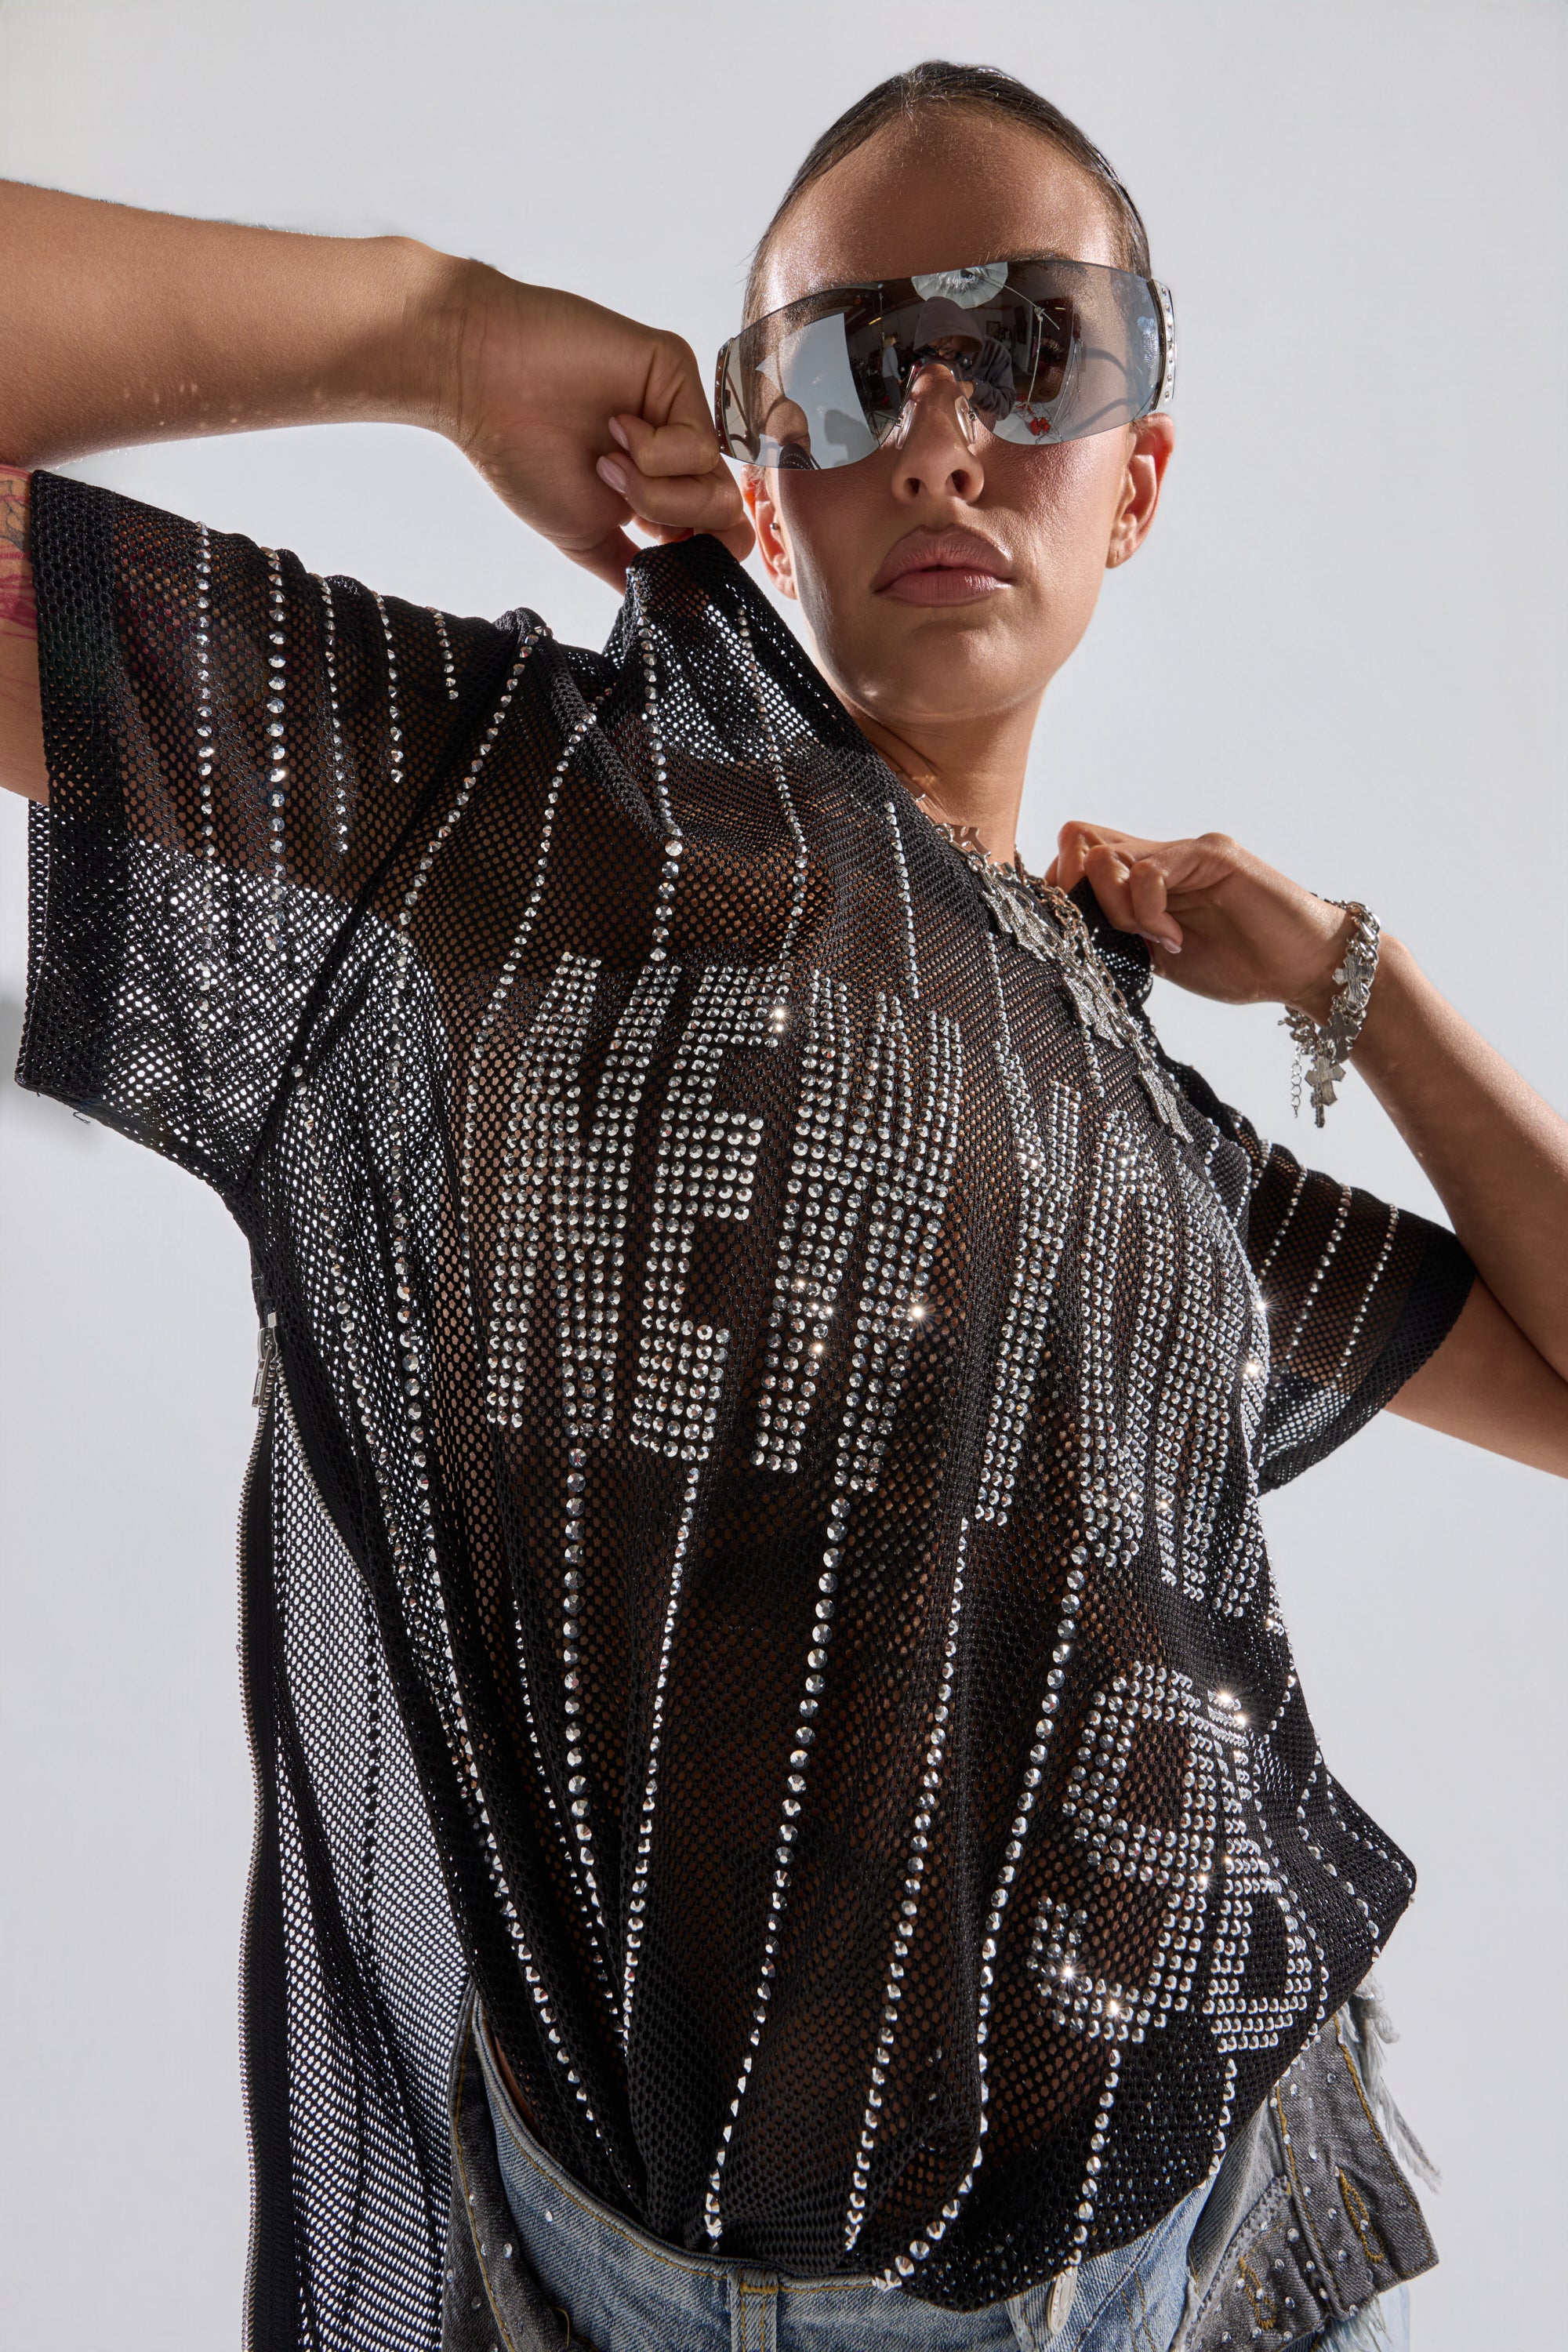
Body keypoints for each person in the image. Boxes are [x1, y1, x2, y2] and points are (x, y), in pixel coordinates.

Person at [1, 56, 1564, 2352]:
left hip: (1203, 2238)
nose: (942, 436)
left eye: (1031, 351)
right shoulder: (495, 812)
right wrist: (432, 334)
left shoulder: (1139, 1101)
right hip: (654, 2284)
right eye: (855, 363)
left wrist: (1358, 982)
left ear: (1136, 478)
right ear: (764, 459)